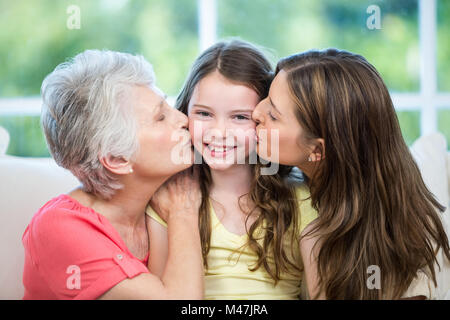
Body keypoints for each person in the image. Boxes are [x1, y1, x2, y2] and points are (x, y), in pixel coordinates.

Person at [252, 48, 450, 299]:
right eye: (266, 98)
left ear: (316, 149)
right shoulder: (298, 184)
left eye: (273, 115)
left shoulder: (404, 240)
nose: (256, 112)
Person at [22, 49, 203, 300]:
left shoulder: (158, 200)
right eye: (161, 117)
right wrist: (184, 212)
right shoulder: (58, 228)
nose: (183, 119)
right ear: (117, 159)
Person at [147, 40, 318, 300]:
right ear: (185, 113)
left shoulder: (300, 199)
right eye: (204, 114)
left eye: (239, 117)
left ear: (264, 118)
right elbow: (160, 293)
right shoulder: (167, 197)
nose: (219, 133)